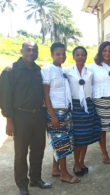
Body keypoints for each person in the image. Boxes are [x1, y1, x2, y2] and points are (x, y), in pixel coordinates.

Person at [0, 41, 51, 195]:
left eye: (34, 50)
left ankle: (35, 179)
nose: (31, 53)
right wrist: (9, 120)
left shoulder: (37, 70)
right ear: (21, 51)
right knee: (21, 152)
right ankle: (22, 185)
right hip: (20, 116)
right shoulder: (10, 71)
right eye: (28, 50)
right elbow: (5, 97)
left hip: (38, 116)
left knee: (38, 149)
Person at [42, 42, 80, 184]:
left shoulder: (62, 70)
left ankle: (55, 168)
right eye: (58, 54)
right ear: (52, 54)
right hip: (55, 113)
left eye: (63, 53)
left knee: (61, 141)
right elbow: (46, 95)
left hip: (66, 111)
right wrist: (52, 115)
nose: (61, 56)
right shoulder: (48, 69)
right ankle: (64, 174)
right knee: (62, 143)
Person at [64, 46, 101, 176]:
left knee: (85, 136)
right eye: (77, 54)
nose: (80, 57)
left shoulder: (90, 72)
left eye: (83, 55)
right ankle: (76, 163)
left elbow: (93, 88)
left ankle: (82, 161)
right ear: (73, 57)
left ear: (86, 56)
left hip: (88, 106)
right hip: (75, 107)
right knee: (77, 138)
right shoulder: (67, 72)